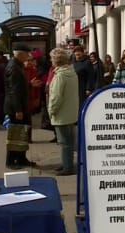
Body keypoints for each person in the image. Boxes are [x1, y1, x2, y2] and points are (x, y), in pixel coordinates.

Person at [4, 43, 37, 169]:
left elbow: (19, 87)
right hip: (16, 108)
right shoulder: (13, 68)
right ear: (20, 54)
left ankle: (22, 158)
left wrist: (29, 85)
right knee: (15, 135)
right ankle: (11, 161)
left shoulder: (18, 66)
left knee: (22, 135)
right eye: (27, 54)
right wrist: (18, 109)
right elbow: (13, 91)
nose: (29, 57)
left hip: (22, 106)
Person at [48, 48, 79, 176]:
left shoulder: (60, 76)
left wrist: (51, 110)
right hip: (70, 112)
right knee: (68, 142)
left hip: (61, 113)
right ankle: (66, 163)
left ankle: (68, 167)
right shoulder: (72, 73)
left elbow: (56, 97)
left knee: (65, 142)